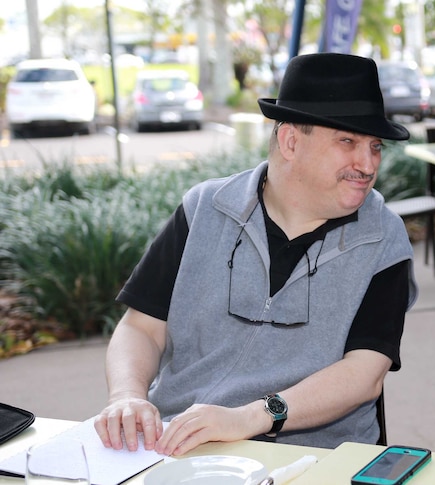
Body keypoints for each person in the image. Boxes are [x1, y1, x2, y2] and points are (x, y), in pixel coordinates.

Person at [94, 53, 418, 456]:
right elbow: (141, 327)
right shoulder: (204, 209)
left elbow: (364, 373)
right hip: (175, 441)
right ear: (291, 142)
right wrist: (126, 396)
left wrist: (251, 417)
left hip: (310, 455)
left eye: (375, 147)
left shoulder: (383, 238)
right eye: (348, 142)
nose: (367, 164)